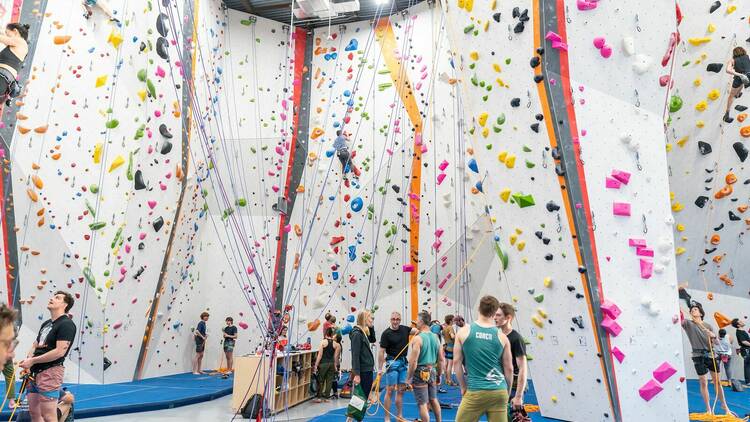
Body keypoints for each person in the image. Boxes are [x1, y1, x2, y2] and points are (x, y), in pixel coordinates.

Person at [454, 295, 513, 422]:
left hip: (476, 391)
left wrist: (463, 386)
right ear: (494, 312)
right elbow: (509, 369)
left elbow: (456, 362)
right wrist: (507, 392)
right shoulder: (502, 337)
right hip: (499, 391)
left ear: (478, 309)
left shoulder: (464, 332)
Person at [19, 291, 76, 422]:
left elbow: (60, 352)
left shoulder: (66, 324)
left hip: (50, 372)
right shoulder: (46, 324)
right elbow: (35, 345)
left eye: (57, 298)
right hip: (34, 373)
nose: (52, 298)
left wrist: (33, 360)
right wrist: (29, 361)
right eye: (53, 296)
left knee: (49, 416)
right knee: (34, 413)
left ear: (65, 305)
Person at [678, 293, 732, 416]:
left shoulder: (708, 326)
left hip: (711, 355)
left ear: (701, 313)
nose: (692, 310)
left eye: (695, 309)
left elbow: (717, 343)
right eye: (691, 310)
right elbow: (680, 317)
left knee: (717, 382)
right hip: (697, 355)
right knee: (703, 382)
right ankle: (708, 409)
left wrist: (713, 336)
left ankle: (724, 406)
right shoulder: (687, 323)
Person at [378, 311, 417, 422]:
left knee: (401, 390)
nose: (395, 321)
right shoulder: (386, 333)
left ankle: (399, 416)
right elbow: (381, 352)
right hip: (392, 363)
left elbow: (419, 330)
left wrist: (422, 321)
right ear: (390, 320)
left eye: (397, 319)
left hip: (403, 363)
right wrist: (380, 369)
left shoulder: (405, 329)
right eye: (393, 319)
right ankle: (387, 417)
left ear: (400, 320)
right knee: (390, 390)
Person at [406, 311, 444, 422]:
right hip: (432, 370)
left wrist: (408, 378)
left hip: (420, 372)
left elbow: (413, 362)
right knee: (433, 399)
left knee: (422, 404)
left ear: (422, 322)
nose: (415, 322)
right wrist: (439, 375)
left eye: (417, 320)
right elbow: (441, 360)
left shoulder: (417, 339)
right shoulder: (436, 338)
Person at [495, 303, 528, 411]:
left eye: (498, 315)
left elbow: (523, 368)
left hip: (513, 386)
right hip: (500, 383)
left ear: (508, 317)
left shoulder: (516, 339)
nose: (495, 318)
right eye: (494, 315)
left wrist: (518, 396)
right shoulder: (498, 336)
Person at [349, 310, 375, 415]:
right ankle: (351, 418)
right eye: (370, 318)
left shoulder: (364, 332)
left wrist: (372, 326)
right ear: (364, 319)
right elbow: (355, 355)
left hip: (367, 369)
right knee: (360, 398)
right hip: (363, 371)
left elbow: (373, 339)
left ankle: (353, 418)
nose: (372, 319)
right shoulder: (357, 334)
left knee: (362, 398)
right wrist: (357, 374)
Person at [0, 23, 28, 100]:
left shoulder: (20, 41)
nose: (6, 35)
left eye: (7, 33)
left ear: (15, 31)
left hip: (3, 78)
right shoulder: (18, 45)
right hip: (4, 81)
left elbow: (2, 38)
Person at [313, 327, 340, 403]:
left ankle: (319, 397)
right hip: (331, 363)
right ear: (332, 334)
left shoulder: (323, 342)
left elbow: (320, 355)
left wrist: (316, 365)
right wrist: (335, 366)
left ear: (326, 333)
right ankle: (327, 397)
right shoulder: (336, 344)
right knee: (329, 381)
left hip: (323, 364)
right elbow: (335, 357)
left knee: (320, 380)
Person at [724, 47, 750, 123]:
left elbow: (727, 70)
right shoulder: (747, 56)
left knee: (731, 96)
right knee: (742, 83)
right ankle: (738, 94)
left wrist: (738, 74)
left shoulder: (732, 60)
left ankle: (727, 114)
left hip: (739, 78)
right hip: (748, 76)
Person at [0, 305, 17, 408]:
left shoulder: (11, 326)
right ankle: (11, 401)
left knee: (10, 376)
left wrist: (9, 352)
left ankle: (11, 400)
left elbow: (13, 340)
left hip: (6, 357)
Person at [731, 318, 750, 385]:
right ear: (738, 325)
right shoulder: (739, 332)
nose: (742, 321)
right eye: (740, 321)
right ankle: (748, 381)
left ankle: (748, 381)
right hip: (746, 350)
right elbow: (743, 341)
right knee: (747, 365)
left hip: (746, 349)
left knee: (748, 365)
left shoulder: (742, 331)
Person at [442, 315, 456, 387]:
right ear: (450, 321)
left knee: (446, 364)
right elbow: (452, 336)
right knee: (450, 365)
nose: (454, 321)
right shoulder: (450, 327)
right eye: (453, 320)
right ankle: (449, 380)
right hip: (451, 347)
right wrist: (458, 337)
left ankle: (446, 379)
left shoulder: (444, 328)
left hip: (446, 346)